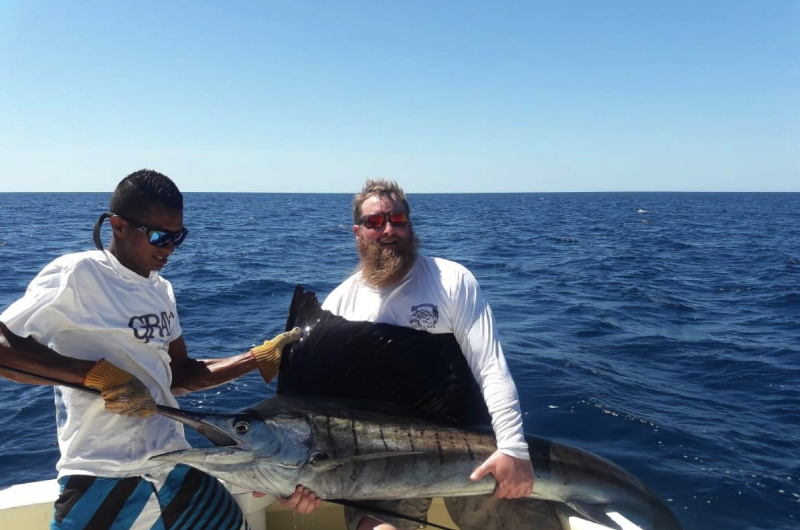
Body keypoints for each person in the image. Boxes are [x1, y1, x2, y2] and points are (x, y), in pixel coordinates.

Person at [0, 169, 304, 530]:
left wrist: (255, 359)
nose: (170, 248)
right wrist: (94, 376)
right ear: (118, 226)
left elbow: (181, 376)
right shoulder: (78, 274)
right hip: (104, 474)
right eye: (160, 236)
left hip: (171, 464)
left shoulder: (161, 291)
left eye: (178, 236)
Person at [303, 179, 561, 529]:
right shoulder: (340, 305)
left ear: (410, 223)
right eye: (376, 222)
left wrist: (513, 448)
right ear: (358, 232)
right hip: (382, 457)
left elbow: (490, 368)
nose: (389, 229)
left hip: (468, 444)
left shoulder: (451, 279)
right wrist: (297, 482)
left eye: (398, 219)